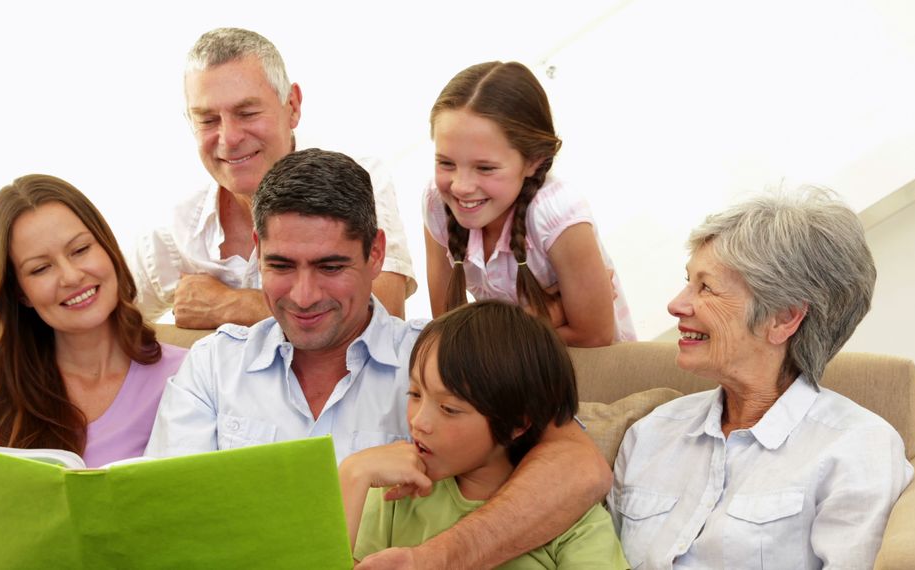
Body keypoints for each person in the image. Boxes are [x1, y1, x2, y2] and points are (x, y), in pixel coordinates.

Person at [145, 148, 610, 569]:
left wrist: (439, 558)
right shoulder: (211, 368)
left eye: (331, 267)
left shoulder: (440, 362)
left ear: (376, 254)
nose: (304, 297)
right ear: (258, 252)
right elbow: (163, 532)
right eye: (281, 266)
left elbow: (579, 468)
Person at [0, 27, 414, 334]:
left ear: (292, 105)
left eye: (247, 112)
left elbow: (385, 311)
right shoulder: (178, 225)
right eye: (207, 120)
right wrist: (1, 304)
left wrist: (231, 306)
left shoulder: (359, 176)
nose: (228, 138)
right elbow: (98, 302)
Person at [609, 187, 914, 569]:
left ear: (783, 318)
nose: (676, 304)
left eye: (706, 287)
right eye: (688, 281)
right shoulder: (650, 434)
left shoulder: (856, 448)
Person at [340, 300, 629, 568]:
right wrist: (353, 475)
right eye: (414, 393)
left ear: (518, 423)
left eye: (449, 409)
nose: (418, 421)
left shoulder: (573, 520)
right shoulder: (394, 497)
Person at [0, 174, 187, 467]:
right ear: (20, 293)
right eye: (40, 269)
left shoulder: (187, 375)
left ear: (108, 248)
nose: (72, 276)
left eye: (80, 250)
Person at [423, 61, 634, 347]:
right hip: (510, 377)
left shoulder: (557, 214)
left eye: (485, 168)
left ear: (534, 161)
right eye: (446, 163)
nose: (460, 185)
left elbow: (595, 336)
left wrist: (492, 337)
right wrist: (547, 315)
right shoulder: (437, 202)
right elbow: (448, 327)